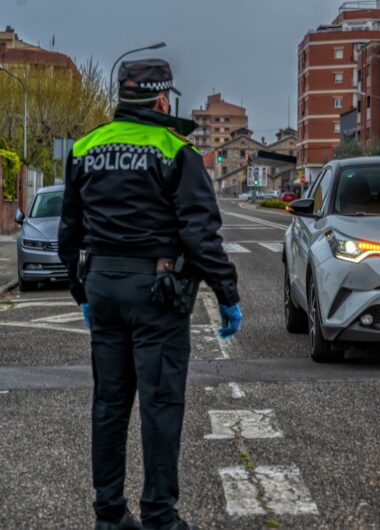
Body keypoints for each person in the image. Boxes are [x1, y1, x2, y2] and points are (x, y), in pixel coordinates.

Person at [58, 59, 243, 530]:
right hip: (156, 293)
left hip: (102, 287)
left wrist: (82, 291)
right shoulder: (173, 150)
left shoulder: (85, 147)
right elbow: (200, 234)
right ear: (163, 100)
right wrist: (226, 291)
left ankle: (110, 516)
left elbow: (68, 234)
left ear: (121, 97)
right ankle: (160, 516)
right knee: (160, 406)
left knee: (109, 404)